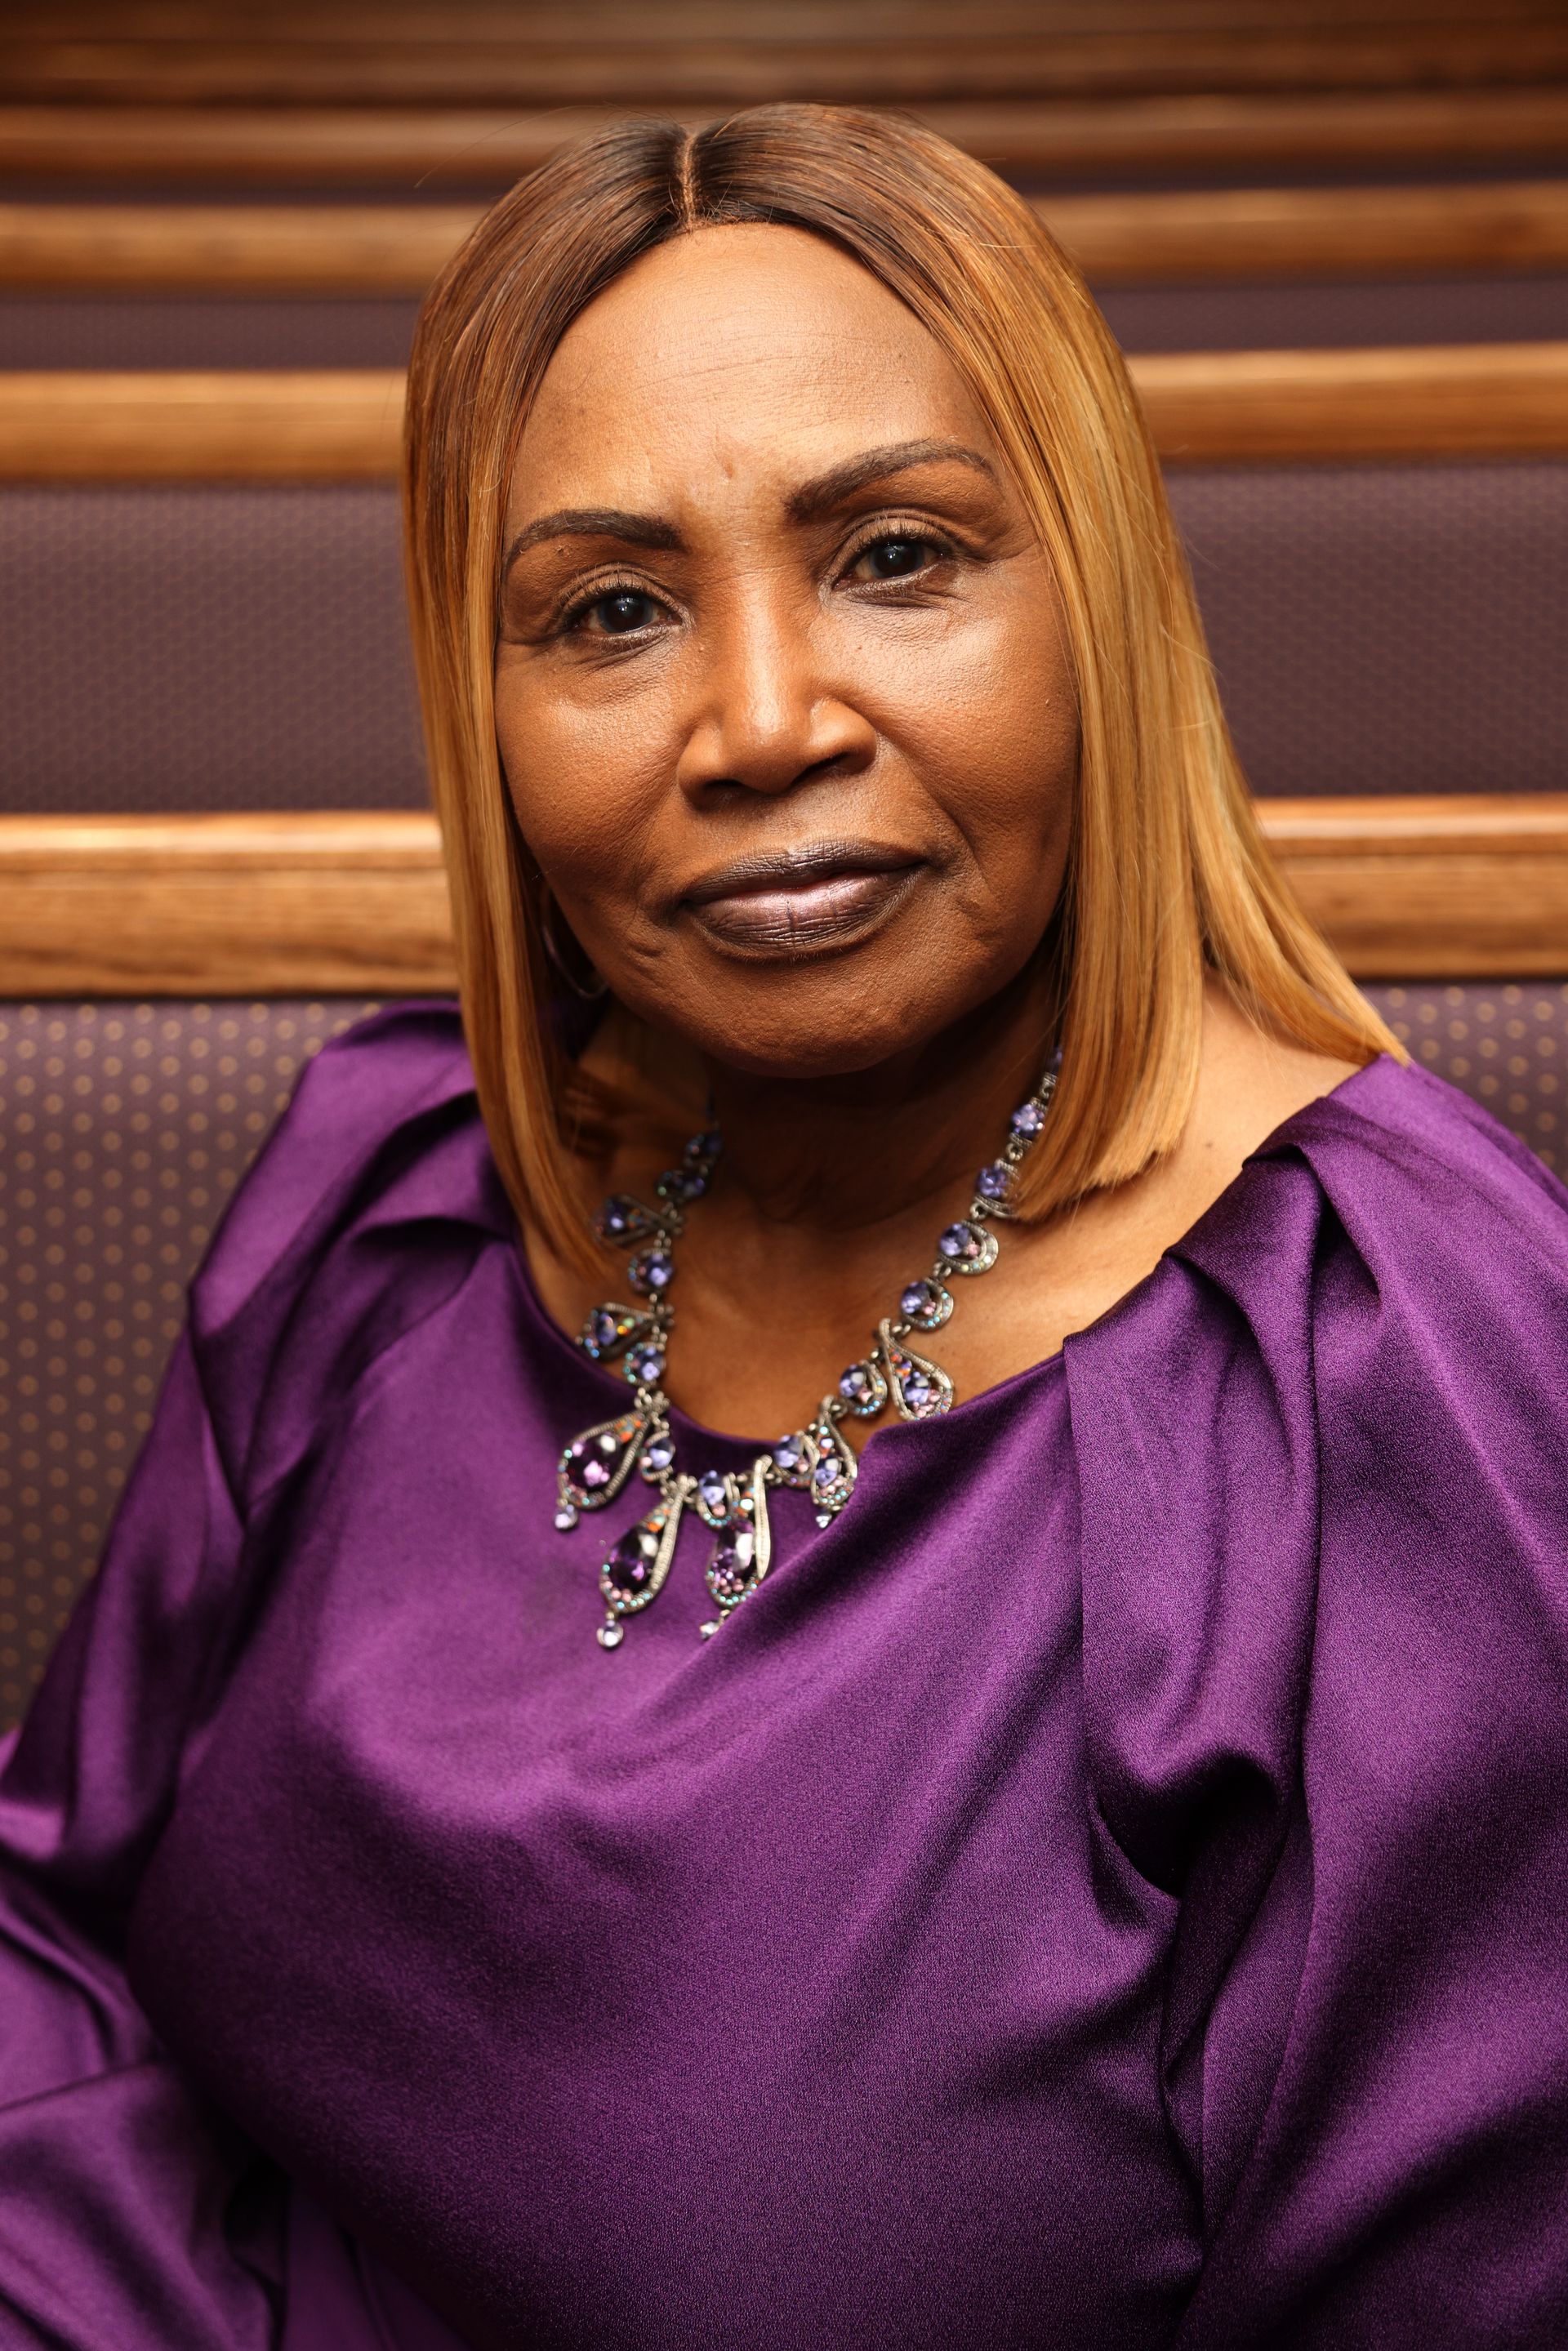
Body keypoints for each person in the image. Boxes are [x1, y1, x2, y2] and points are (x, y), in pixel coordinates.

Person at [2, 104, 1566, 2351]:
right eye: (612, 610)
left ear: (1100, 605)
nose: (755, 724)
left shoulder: (1375, 1373)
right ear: (488, 700)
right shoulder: (401, 1194)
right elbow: (51, 1925)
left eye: (898, 558)